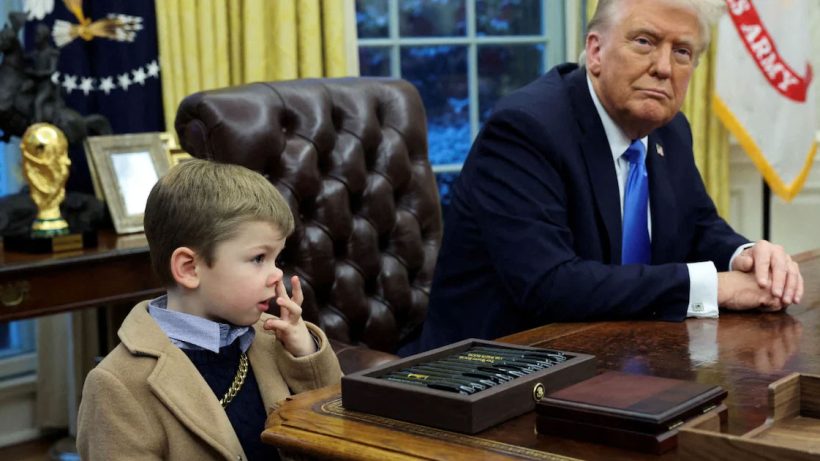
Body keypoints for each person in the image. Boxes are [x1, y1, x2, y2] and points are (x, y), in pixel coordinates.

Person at [407, 0, 804, 354]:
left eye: (682, 52)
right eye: (645, 42)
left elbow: (697, 225)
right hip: (494, 372)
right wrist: (715, 287)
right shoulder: (526, 129)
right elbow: (551, 285)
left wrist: (747, 255)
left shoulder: (670, 129)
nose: (664, 68)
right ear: (595, 51)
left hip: (618, 358)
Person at [77, 159, 342, 460]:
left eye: (276, 259)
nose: (275, 276)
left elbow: (344, 427)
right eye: (258, 258)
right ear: (189, 268)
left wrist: (305, 353)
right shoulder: (117, 386)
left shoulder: (275, 339)